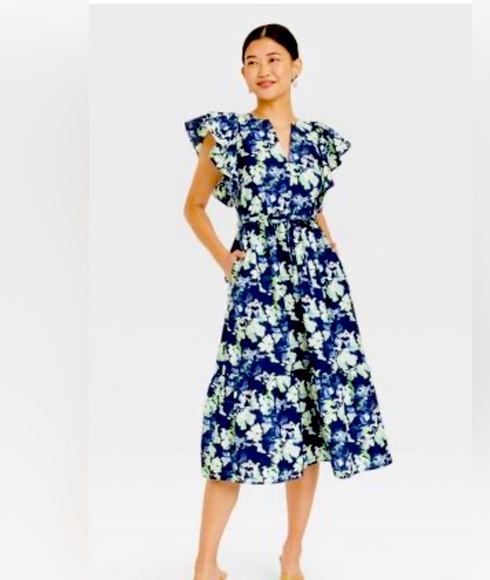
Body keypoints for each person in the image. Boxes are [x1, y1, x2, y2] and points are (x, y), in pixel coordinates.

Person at [183, 23, 393, 580]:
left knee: (310, 416)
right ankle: (205, 563)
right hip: (258, 290)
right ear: (242, 73)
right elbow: (194, 207)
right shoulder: (226, 135)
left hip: (319, 291)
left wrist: (327, 241)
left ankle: (292, 554)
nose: (264, 70)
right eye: (252, 61)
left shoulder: (321, 141)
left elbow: (314, 204)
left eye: (274, 59)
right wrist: (227, 262)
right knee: (236, 414)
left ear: (296, 67)